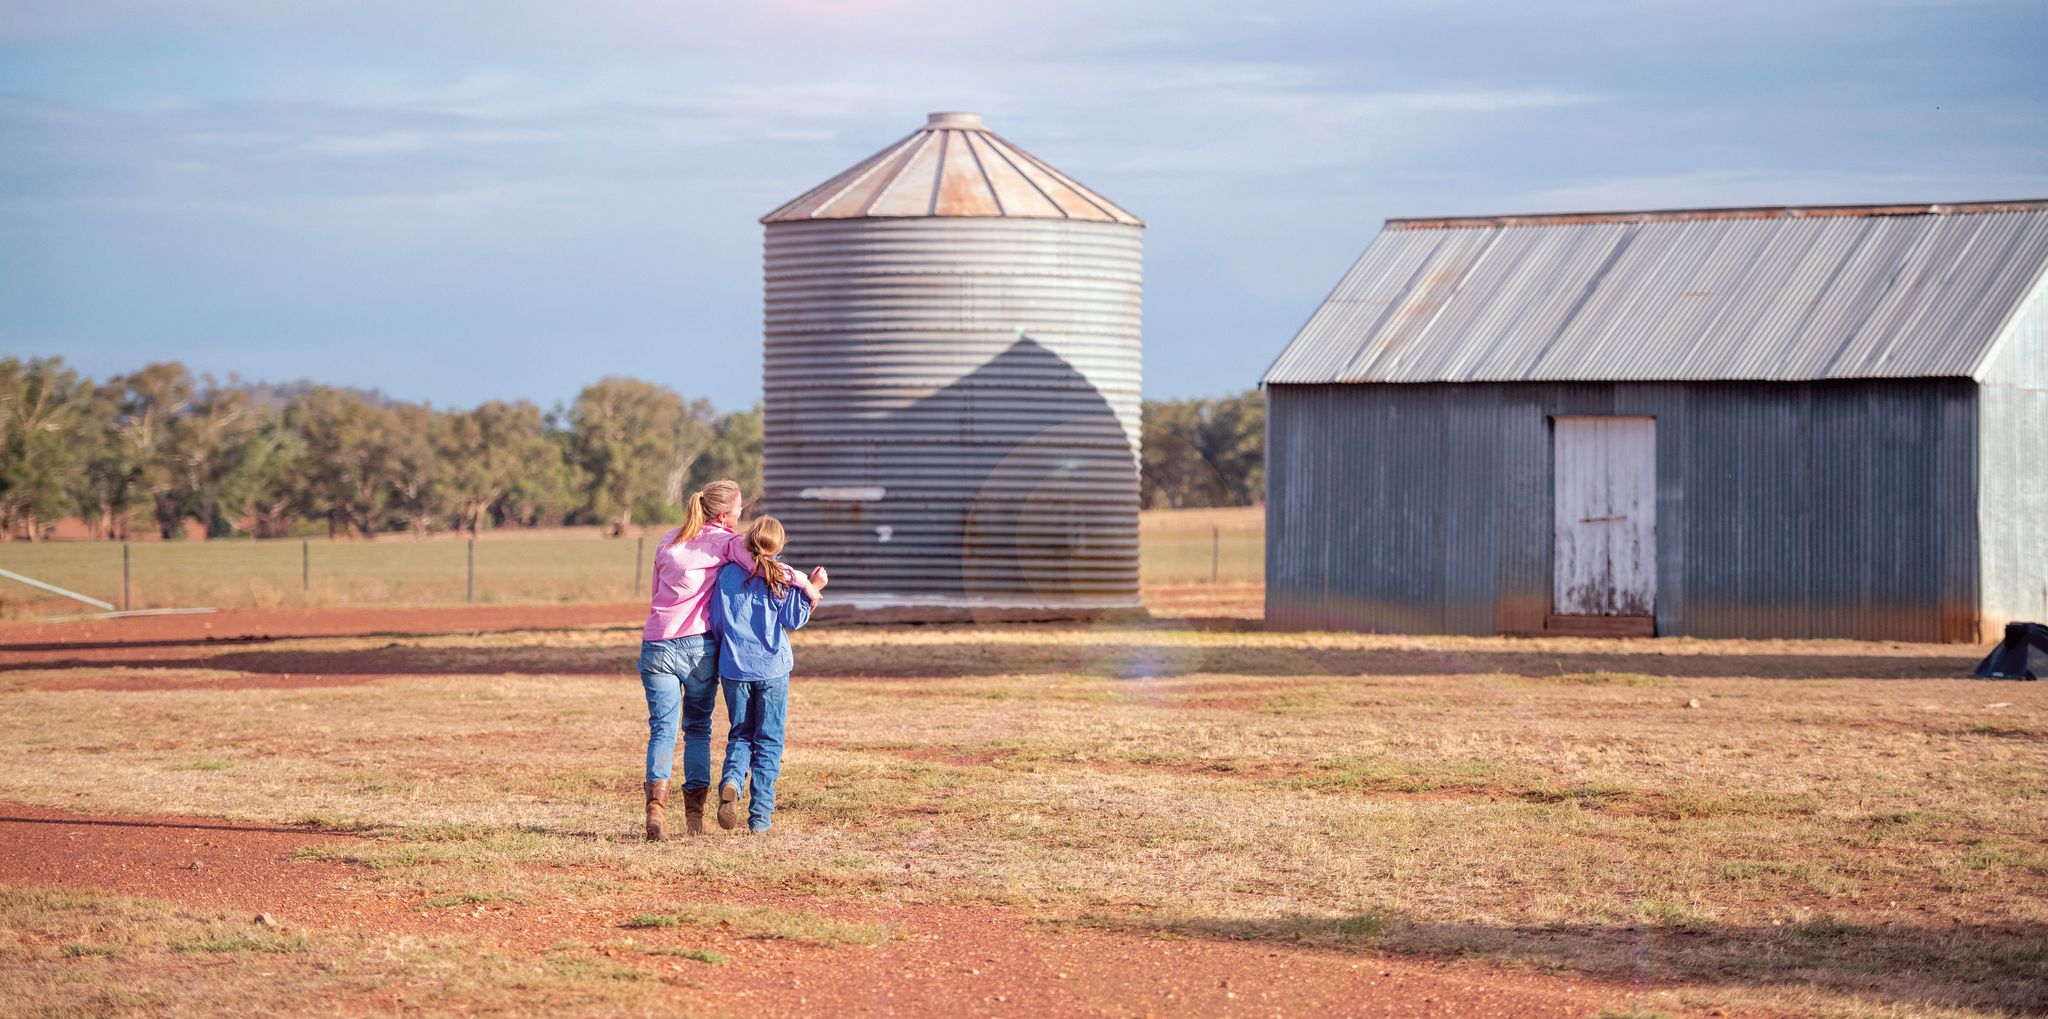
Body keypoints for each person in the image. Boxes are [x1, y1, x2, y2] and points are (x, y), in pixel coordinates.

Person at [638, 480, 824, 842]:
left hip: (657, 641)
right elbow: (769, 568)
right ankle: (695, 820)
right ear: (724, 515)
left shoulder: (667, 539)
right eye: (739, 509)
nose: (741, 515)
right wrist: (809, 586)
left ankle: (656, 810)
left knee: (662, 730)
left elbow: (655, 591)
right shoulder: (727, 543)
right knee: (697, 730)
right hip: (698, 646)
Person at [709, 516, 817, 834]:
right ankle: (760, 818)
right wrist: (815, 589)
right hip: (772, 668)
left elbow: (717, 621)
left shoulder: (726, 575)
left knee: (741, 733)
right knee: (768, 740)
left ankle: (732, 780)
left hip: (734, 668)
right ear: (778, 545)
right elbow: (793, 619)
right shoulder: (781, 576)